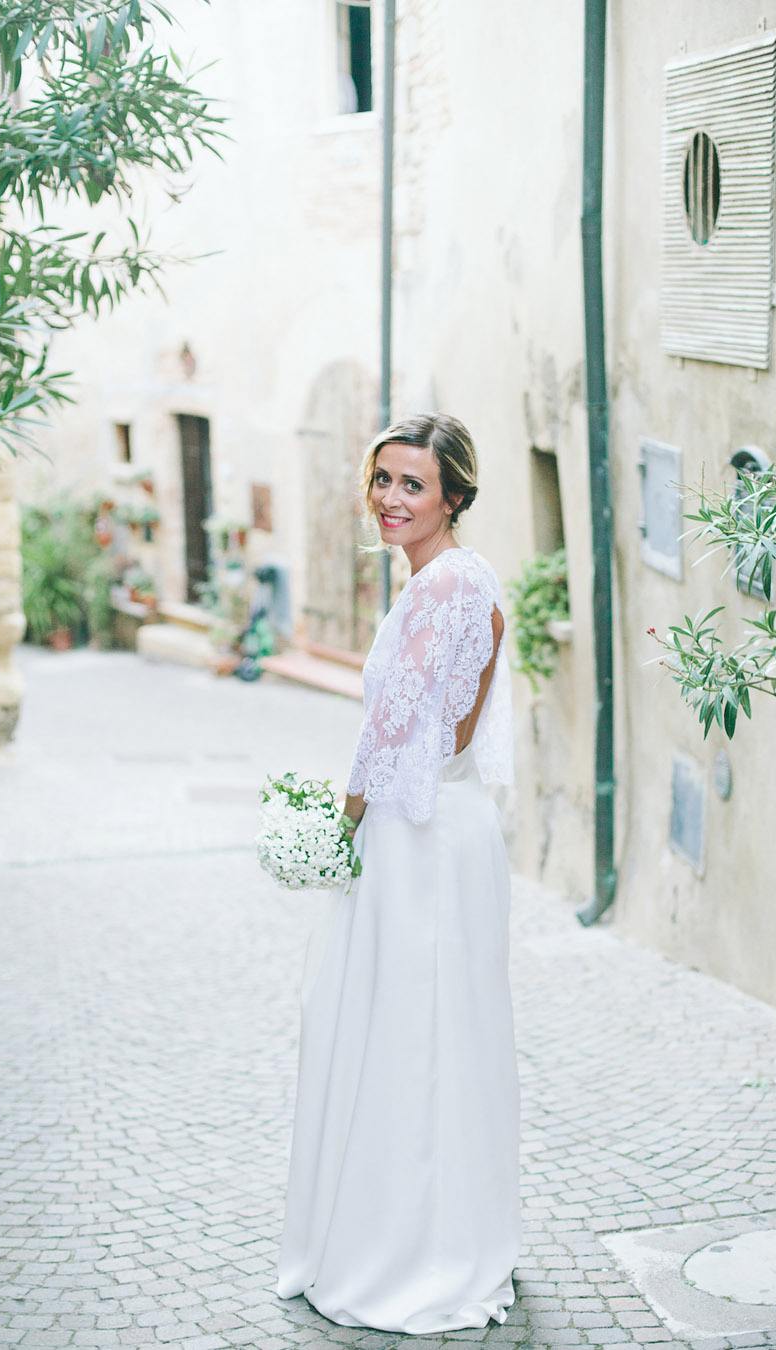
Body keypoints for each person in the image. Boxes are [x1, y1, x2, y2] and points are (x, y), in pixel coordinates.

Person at [276, 413, 520, 1335]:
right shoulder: (468, 579)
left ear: (453, 493)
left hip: (418, 840)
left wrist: (334, 830)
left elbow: (397, 735)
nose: (389, 498)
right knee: (431, 1030)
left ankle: (408, 1251)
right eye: (381, 478)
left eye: (412, 484)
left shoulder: (441, 590)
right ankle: (434, 1230)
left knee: (405, 1033)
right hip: (449, 829)